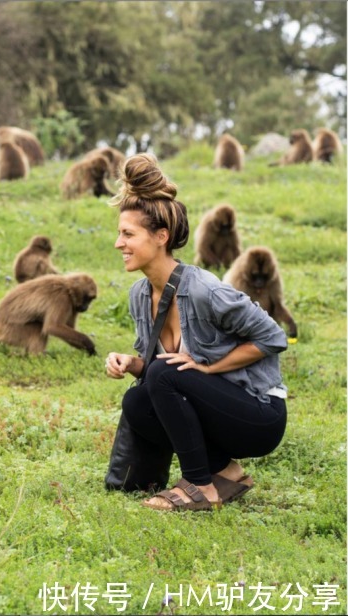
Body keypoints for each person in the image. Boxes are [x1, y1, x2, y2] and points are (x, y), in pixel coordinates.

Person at [104, 153, 288, 511]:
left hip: (258, 413)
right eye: (119, 233)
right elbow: (164, 373)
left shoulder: (205, 290)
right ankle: (226, 471)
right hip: (217, 407)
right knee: (137, 402)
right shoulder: (140, 295)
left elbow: (272, 338)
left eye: (128, 234)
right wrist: (131, 362)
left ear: (161, 236)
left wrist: (208, 368)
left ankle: (200, 487)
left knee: (161, 374)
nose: (118, 243)